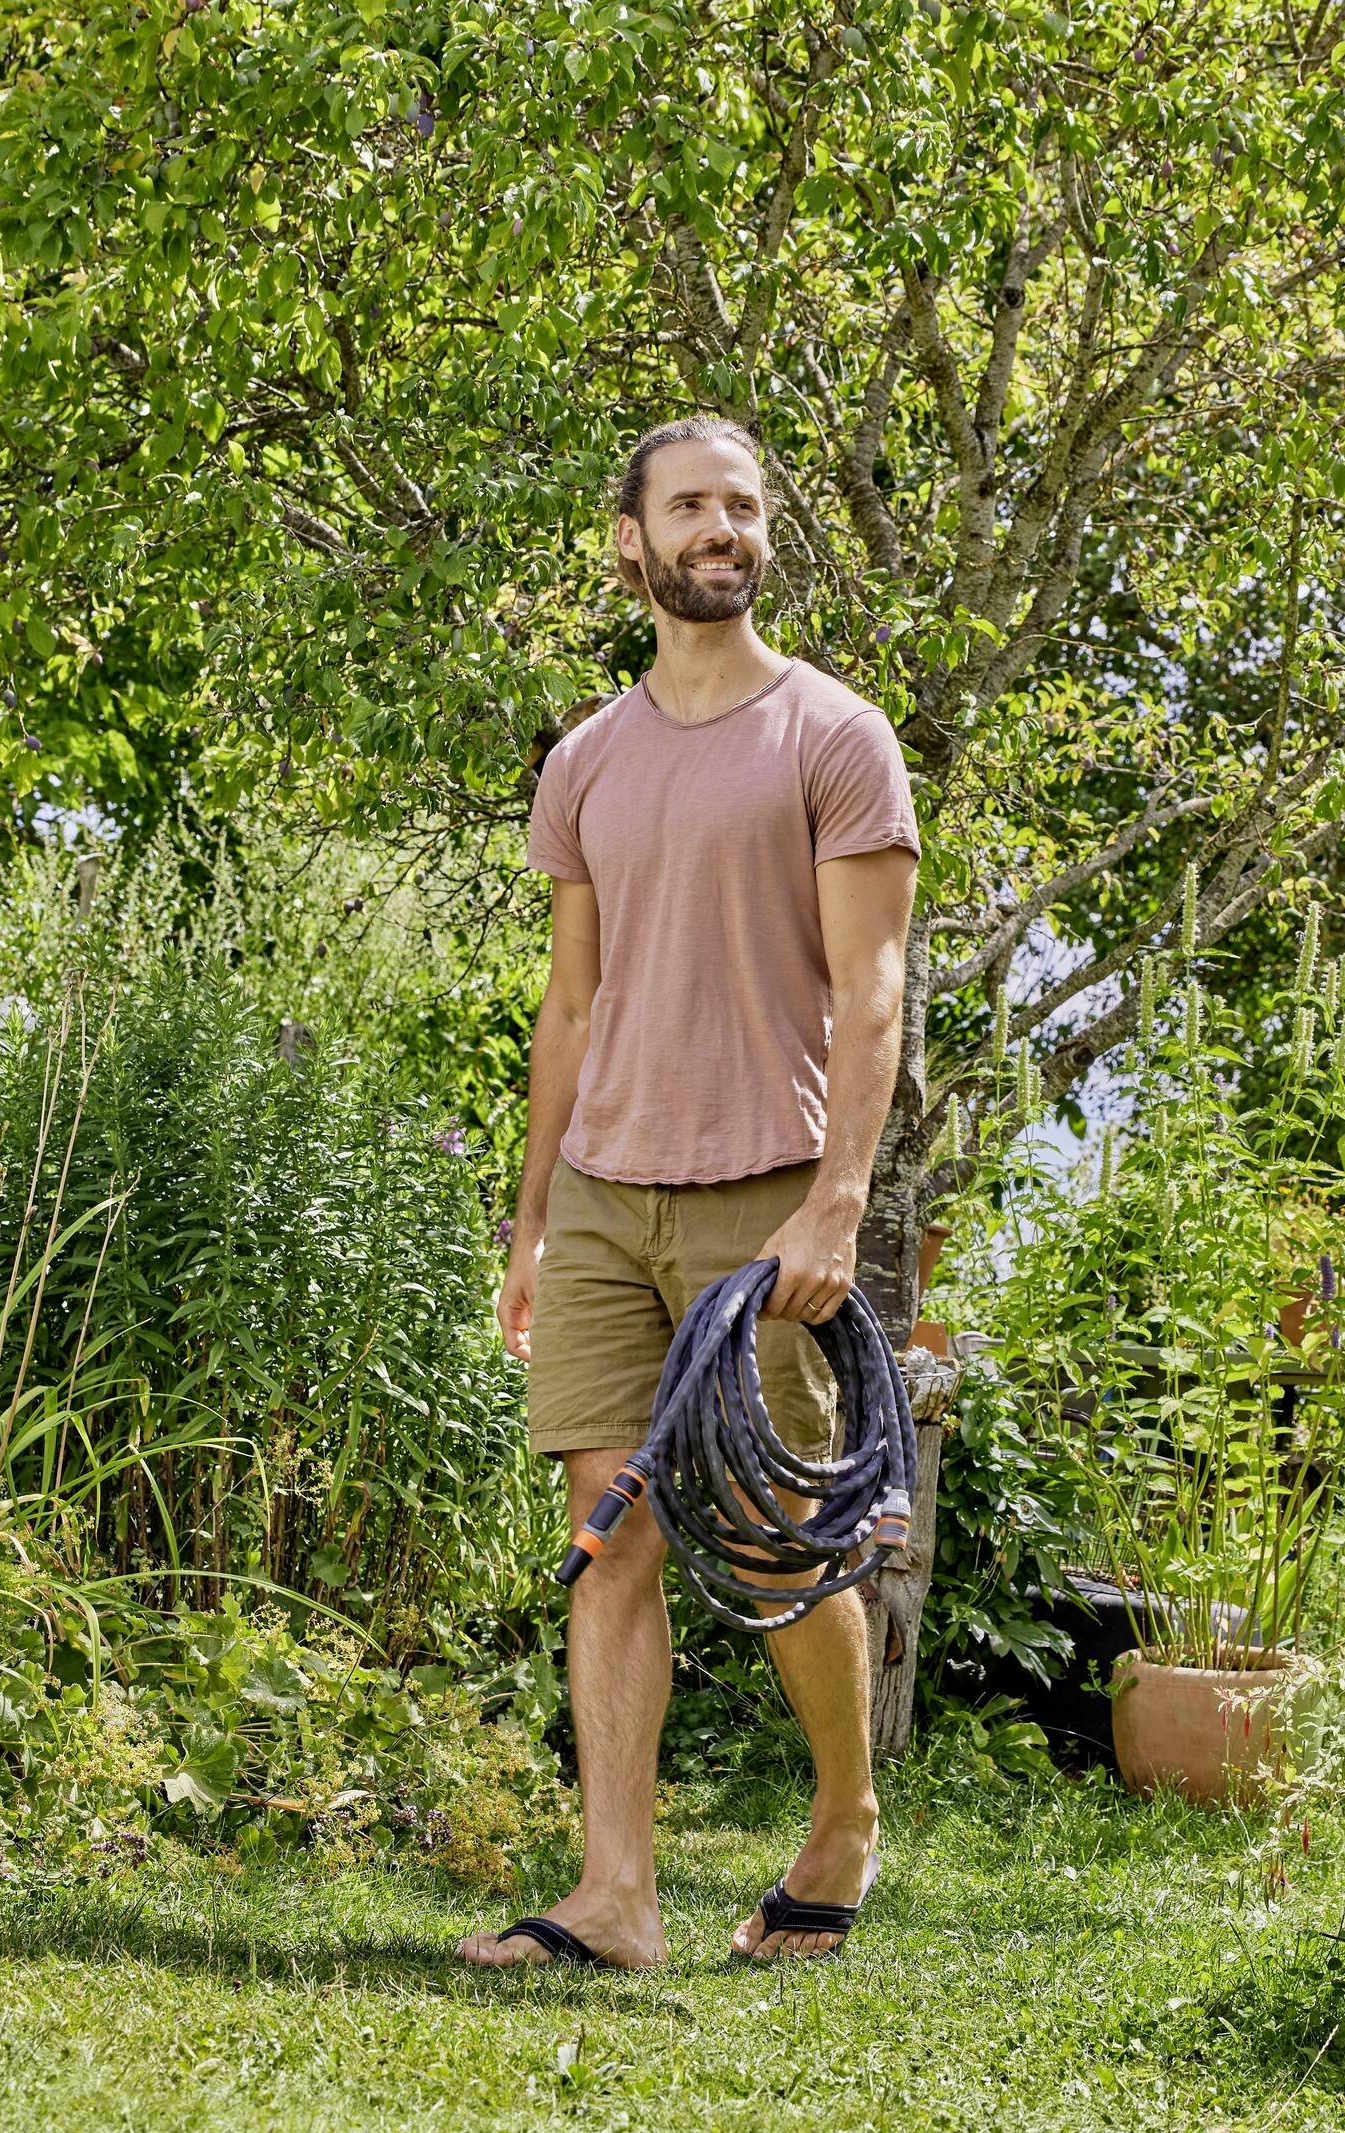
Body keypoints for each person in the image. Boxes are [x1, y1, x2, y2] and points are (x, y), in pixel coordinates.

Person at [457, 416, 919, 1970]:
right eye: (689, 506)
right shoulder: (586, 759)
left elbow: (873, 990)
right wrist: (531, 1220)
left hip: (761, 1194)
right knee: (613, 1528)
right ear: (630, 545)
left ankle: (845, 1822)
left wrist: (838, 1204)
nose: (720, 526)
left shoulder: (834, 735)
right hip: (602, 1191)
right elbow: (570, 1007)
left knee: (784, 1535)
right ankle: (618, 1896)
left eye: (742, 504)